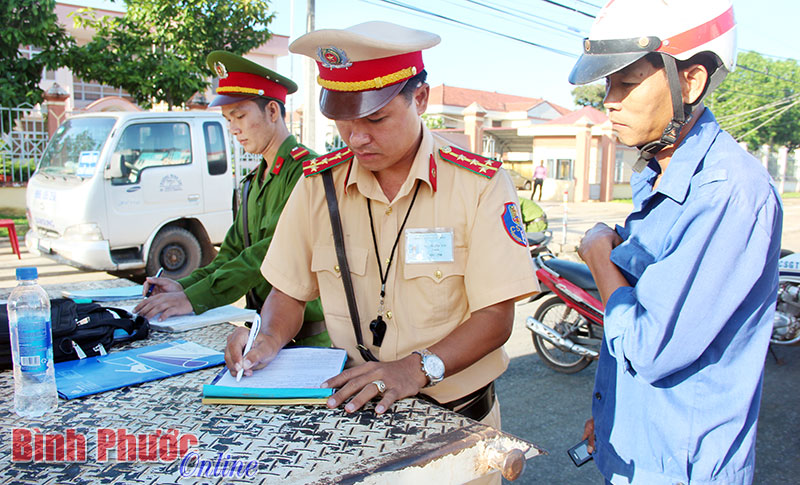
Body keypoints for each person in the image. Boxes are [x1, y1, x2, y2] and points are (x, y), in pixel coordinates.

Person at [225, 21, 538, 434]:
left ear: (420, 98)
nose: (356, 138)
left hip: (457, 421)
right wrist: (265, 339)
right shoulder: (319, 186)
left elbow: (496, 316)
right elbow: (288, 293)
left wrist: (415, 369)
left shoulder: (479, 185)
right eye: (342, 119)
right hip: (357, 417)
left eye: (375, 118)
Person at [570, 1, 783, 484]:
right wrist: (613, 415)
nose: (609, 99)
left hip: (682, 467)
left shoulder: (727, 192)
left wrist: (600, 253)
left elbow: (649, 344)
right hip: (640, 446)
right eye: (607, 84)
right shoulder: (658, 176)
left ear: (689, 82)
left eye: (627, 82)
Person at [135, 51, 329, 348]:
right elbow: (231, 254)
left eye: (240, 116)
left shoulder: (306, 172)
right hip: (262, 334)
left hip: (310, 340)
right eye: (228, 119)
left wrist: (193, 298)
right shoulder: (253, 183)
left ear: (273, 112)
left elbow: (271, 253)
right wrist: (182, 285)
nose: (234, 128)